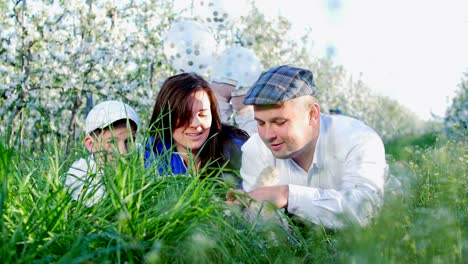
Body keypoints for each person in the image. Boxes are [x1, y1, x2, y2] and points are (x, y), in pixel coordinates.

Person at [229, 65, 388, 229]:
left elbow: (365, 211)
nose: (268, 135)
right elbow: (260, 224)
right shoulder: (255, 150)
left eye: (280, 122)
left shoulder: (357, 139)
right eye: (261, 123)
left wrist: (287, 195)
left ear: (313, 114)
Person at [145, 73, 249, 185]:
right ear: (166, 117)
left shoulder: (237, 148)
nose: (196, 123)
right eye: (185, 115)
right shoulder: (156, 148)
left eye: (203, 114)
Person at [65, 100, 140, 206]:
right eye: (112, 142)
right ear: (91, 144)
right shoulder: (82, 177)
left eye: (129, 141)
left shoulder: (138, 162)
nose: (123, 151)